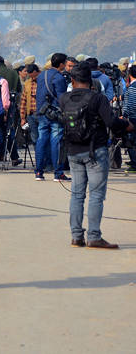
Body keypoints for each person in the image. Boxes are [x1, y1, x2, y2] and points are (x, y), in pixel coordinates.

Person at [60, 63, 132, 249]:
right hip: (95, 151)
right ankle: (93, 236)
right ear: (91, 81)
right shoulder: (97, 98)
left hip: (73, 151)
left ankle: (76, 236)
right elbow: (111, 122)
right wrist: (127, 125)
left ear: (73, 80)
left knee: (77, 194)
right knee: (96, 195)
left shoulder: (64, 99)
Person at [35, 53, 69, 181]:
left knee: (41, 140)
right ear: (61, 64)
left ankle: (38, 172)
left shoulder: (41, 75)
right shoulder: (59, 77)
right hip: (54, 112)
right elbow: (62, 98)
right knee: (56, 141)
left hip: (41, 111)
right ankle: (58, 172)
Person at [124, 64, 136, 172]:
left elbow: (130, 104)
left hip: (133, 118)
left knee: (131, 141)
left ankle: (134, 164)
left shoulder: (132, 88)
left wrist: (124, 116)